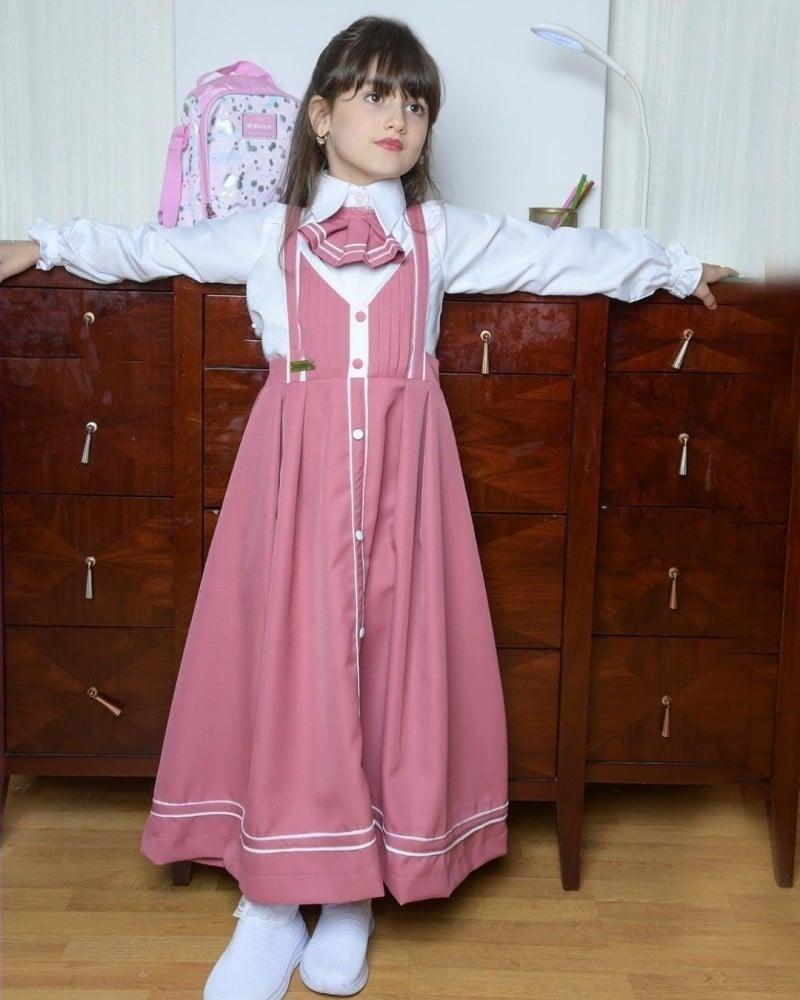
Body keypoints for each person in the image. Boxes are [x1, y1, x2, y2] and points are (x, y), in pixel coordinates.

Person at [0, 15, 738, 1000]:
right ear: (320, 115)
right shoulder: (268, 235)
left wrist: (676, 265)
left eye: (417, 103)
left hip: (406, 493)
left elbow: (559, 257)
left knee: (389, 674)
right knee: (292, 675)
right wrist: (46, 241)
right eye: (377, 94)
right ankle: (270, 906)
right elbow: (148, 248)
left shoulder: (440, 237)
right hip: (293, 489)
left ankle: (351, 894)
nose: (399, 117)